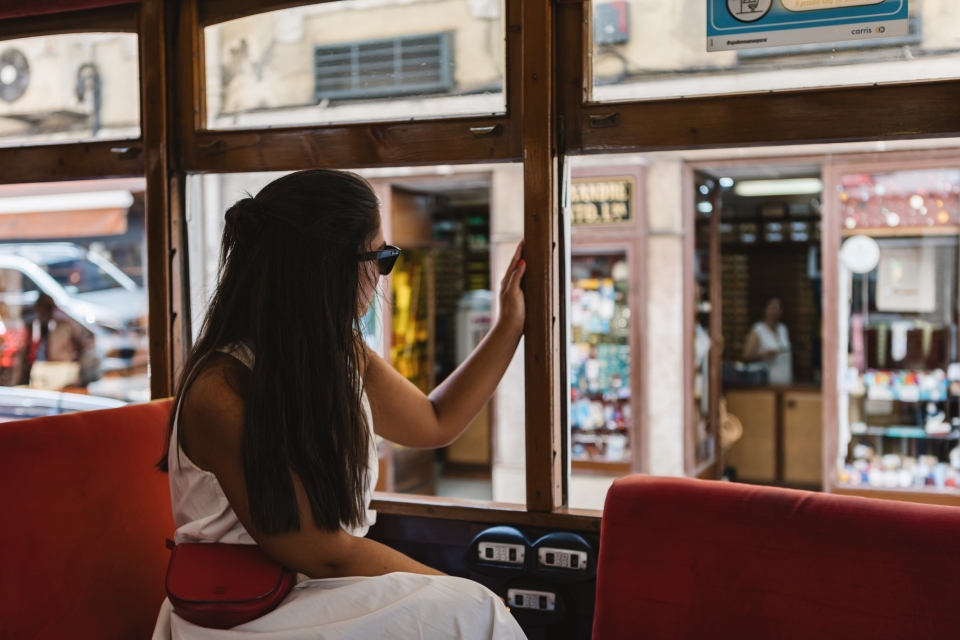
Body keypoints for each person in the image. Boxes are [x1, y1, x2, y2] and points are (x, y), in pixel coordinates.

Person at [152, 169, 527, 639]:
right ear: (329, 266)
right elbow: (317, 548)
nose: (380, 276)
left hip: (322, 591)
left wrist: (510, 323)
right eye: (381, 257)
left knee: (472, 611)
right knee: (478, 613)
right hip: (247, 611)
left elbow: (435, 421)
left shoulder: (339, 352)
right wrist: (459, 588)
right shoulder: (221, 391)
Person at [20, 293, 100, 387]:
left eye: (47, 307)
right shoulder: (33, 327)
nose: (44, 311)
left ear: (53, 308)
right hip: (39, 372)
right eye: (41, 307)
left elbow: (83, 344)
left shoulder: (65, 326)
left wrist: (79, 369)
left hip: (61, 370)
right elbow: (26, 353)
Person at [742, 295, 792, 385]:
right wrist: (764, 354)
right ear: (765, 309)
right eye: (774, 307)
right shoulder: (758, 330)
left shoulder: (783, 329)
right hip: (767, 382)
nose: (777, 310)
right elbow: (746, 356)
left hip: (785, 380)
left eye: (780, 307)